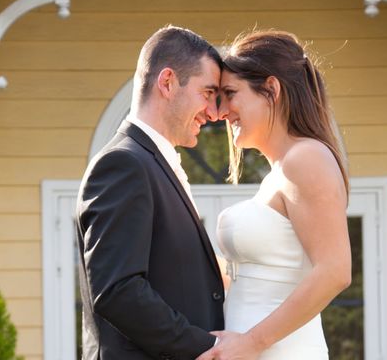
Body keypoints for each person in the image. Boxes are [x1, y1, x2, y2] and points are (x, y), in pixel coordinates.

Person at [198, 30, 352, 360]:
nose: (222, 112)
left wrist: (251, 343)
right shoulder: (281, 171)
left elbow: (335, 271)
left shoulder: (305, 158)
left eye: (230, 93)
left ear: (271, 89)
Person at [76, 26, 226, 360]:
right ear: (168, 82)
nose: (214, 112)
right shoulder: (123, 164)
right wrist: (207, 348)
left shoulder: (152, 163)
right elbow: (118, 291)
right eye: (207, 93)